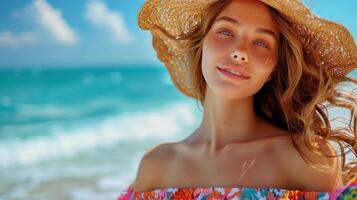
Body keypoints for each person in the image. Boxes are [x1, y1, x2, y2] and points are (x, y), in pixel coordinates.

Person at [118, 0, 357, 199]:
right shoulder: (156, 167)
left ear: (274, 67)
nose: (239, 52)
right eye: (225, 31)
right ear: (201, 44)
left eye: (261, 43)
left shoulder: (307, 159)